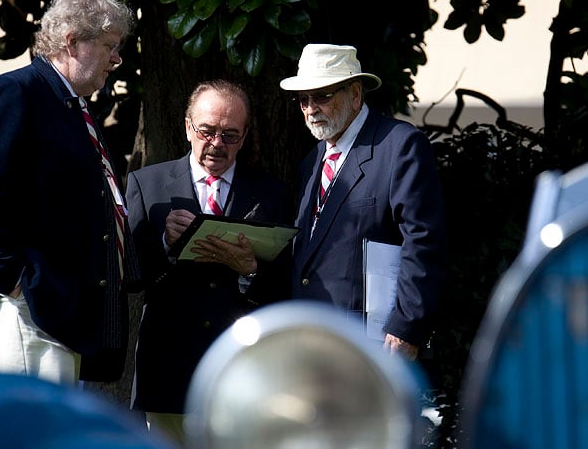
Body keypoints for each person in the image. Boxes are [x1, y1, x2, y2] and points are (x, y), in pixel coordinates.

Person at [0, 0, 139, 386]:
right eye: (109, 46)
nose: (116, 60)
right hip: (30, 310)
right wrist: (19, 283)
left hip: (60, 312)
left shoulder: (71, 106)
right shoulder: (16, 93)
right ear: (72, 42)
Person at [126, 79, 291, 444]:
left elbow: (286, 286)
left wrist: (249, 268)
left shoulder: (271, 193)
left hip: (243, 372)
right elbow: (131, 276)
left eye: (230, 135)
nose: (217, 144)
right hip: (169, 369)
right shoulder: (147, 184)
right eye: (207, 131)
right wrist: (166, 244)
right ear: (188, 127)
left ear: (245, 136)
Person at [280, 43, 448, 361]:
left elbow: (424, 242)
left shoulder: (400, 146)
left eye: (322, 95)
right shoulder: (311, 161)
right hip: (311, 345)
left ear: (355, 94)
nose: (311, 108)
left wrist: (406, 327)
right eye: (304, 99)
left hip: (373, 348)